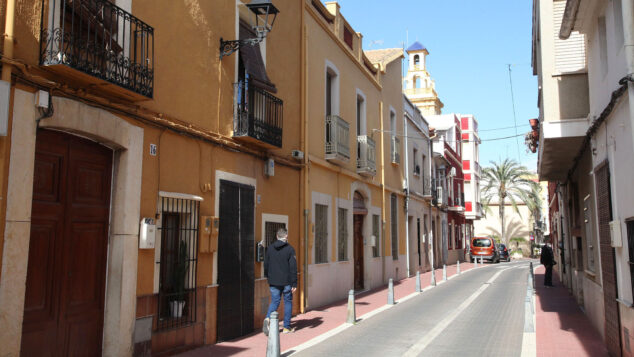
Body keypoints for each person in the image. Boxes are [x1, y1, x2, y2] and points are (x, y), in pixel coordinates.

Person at [263, 228, 297, 335]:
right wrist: (294, 283)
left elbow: (266, 264)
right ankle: (286, 327)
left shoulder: (270, 248)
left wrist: (267, 276)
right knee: (287, 302)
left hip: (273, 281)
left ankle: (268, 318)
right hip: (286, 281)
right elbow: (293, 267)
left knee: (275, 301)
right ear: (286, 236)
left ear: (277, 236)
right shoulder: (290, 249)